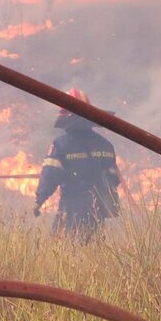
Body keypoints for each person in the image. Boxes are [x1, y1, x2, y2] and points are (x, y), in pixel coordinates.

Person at [34, 88, 121, 242]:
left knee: (62, 250)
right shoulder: (105, 145)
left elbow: (50, 176)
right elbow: (114, 179)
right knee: (94, 249)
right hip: (98, 210)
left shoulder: (60, 145)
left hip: (72, 207)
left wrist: (39, 200)